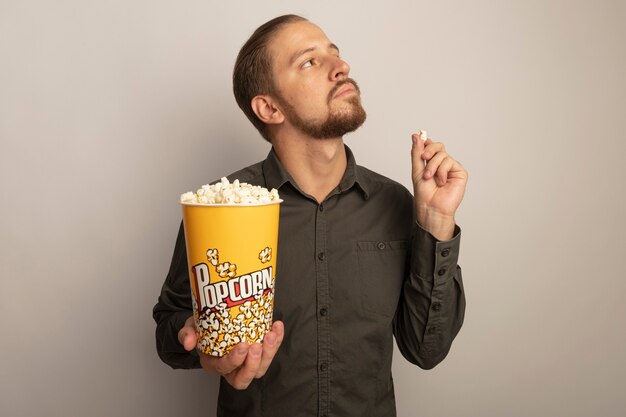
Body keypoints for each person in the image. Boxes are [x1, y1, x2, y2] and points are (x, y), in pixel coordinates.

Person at [153, 14, 468, 417]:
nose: (342, 67)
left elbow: (426, 349)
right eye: (310, 62)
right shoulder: (219, 207)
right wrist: (203, 350)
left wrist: (436, 222)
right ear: (269, 107)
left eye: (334, 54)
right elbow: (169, 322)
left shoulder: (397, 204)